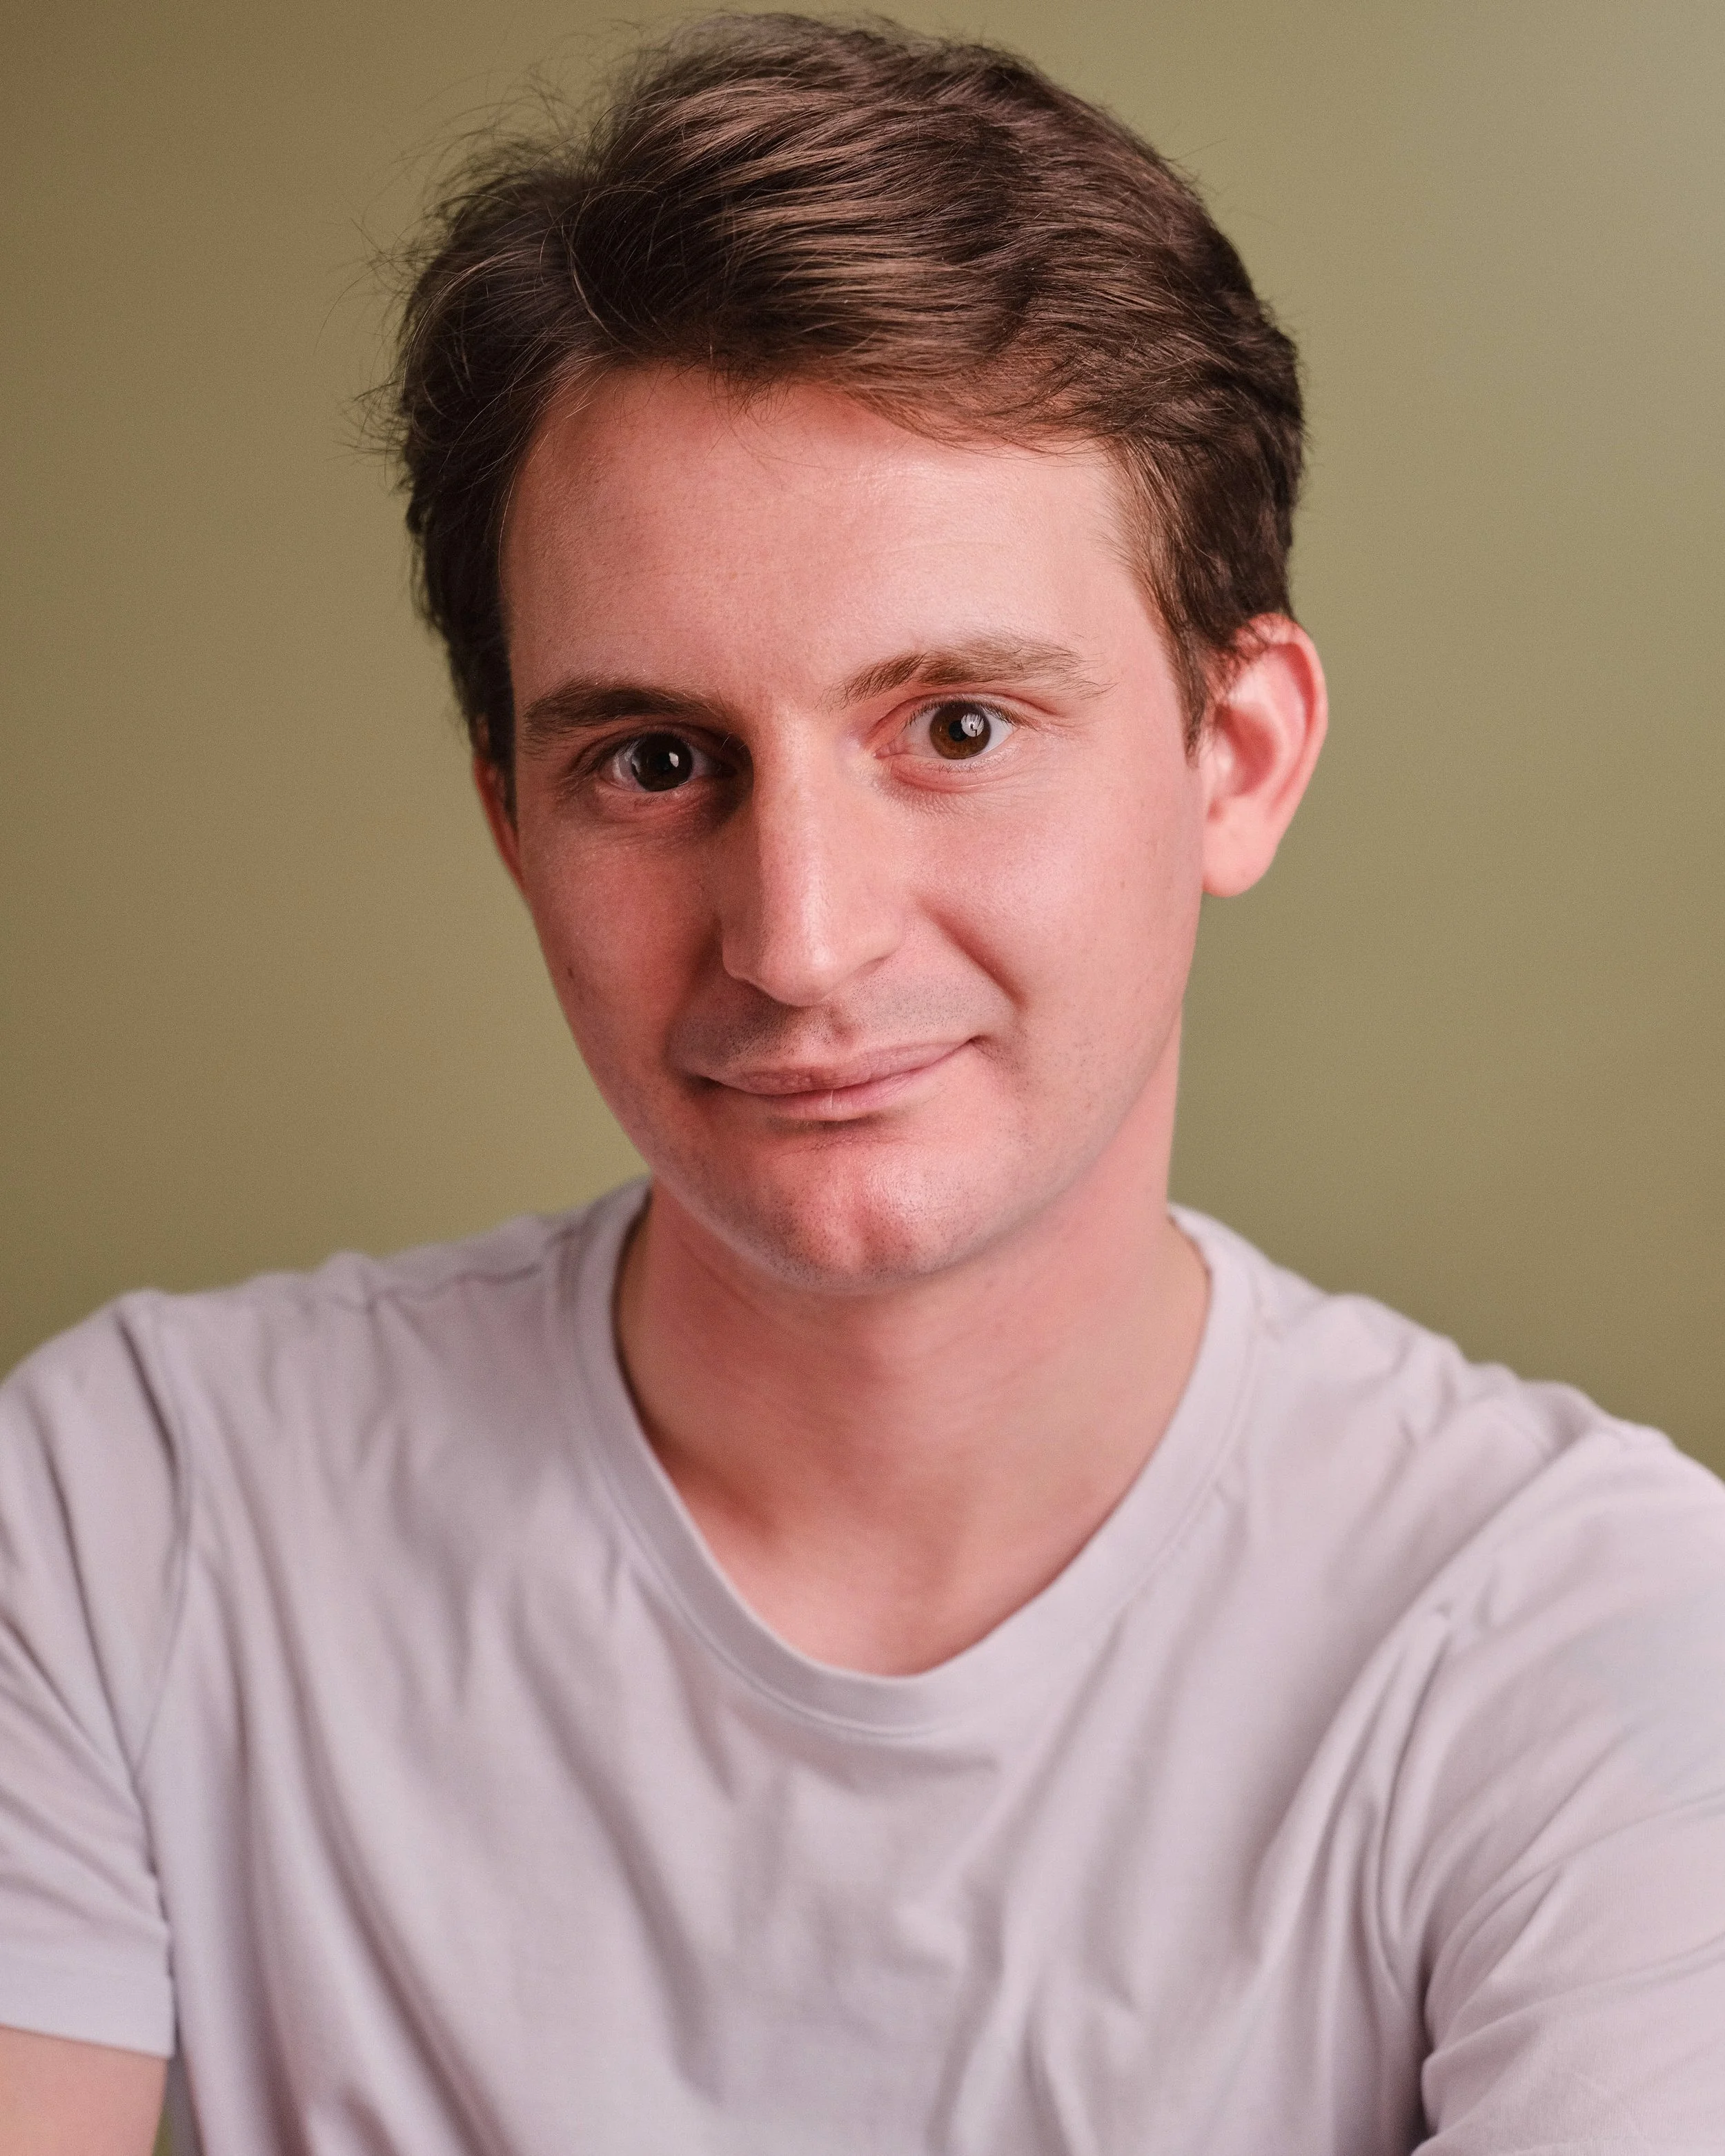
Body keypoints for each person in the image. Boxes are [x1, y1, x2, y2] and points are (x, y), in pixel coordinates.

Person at [2, 15, 1722, 2153]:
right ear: (511, 818)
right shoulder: (122, 1517)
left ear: (1238, 752)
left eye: (958, 728)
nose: (798, 939)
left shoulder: (1602, 1643)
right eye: (652, 760)